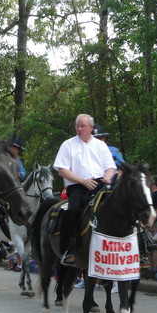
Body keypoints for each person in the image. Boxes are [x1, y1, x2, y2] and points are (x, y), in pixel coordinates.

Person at [53, 114, 116, 266]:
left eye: (83, 126)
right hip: (77, 186)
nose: (79, 129)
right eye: (77, 126)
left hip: (100, 183)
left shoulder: (100, 145)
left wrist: (107, 177)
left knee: (121, 204)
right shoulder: (68, 144)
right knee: (73, 210)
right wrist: (82, 181)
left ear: (91, 128)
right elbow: (61, 170)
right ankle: (67, 249)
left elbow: (111, 167)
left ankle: (138, 244)